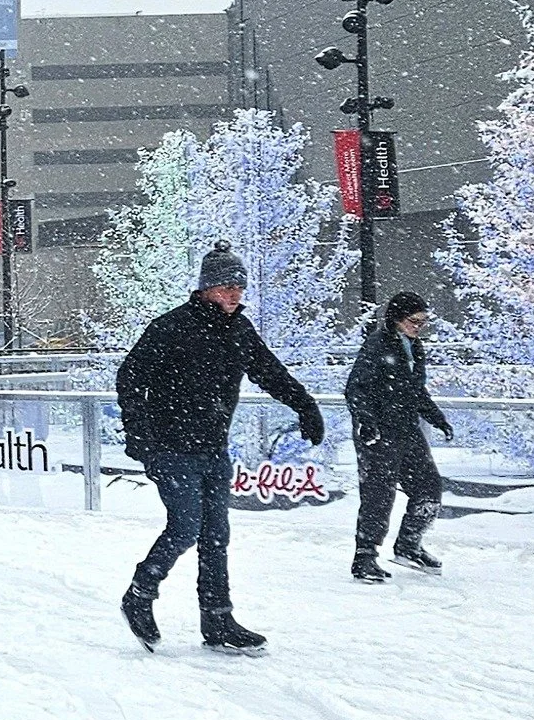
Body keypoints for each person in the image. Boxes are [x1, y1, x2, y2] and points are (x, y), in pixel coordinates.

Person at [115, 241, 325, 656]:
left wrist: (305, 406)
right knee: (186, 527)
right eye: (226, 286)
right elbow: (130, 379)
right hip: (169, 446)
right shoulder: (172, 326)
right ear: (205, 288)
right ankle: (139, 594)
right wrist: (138, 434)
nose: (233, 294)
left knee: (216, 536)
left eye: (239, 288)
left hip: (212, 447)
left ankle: (218, 619)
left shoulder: (239, 330)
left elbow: (270, 372)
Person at [345, 292, 452, 582]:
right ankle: (365, 557)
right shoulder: (378, 345)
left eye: (423, 321)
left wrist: (436, 418)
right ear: (396, 319)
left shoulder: (414, 347)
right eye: (413, 321)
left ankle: (409, 544)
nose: (419, 326)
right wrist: (366, 422)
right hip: (378, 432)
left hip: (406, 429)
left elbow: (416, 390)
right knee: (379, 495)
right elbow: (356, 388)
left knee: (429, 487)